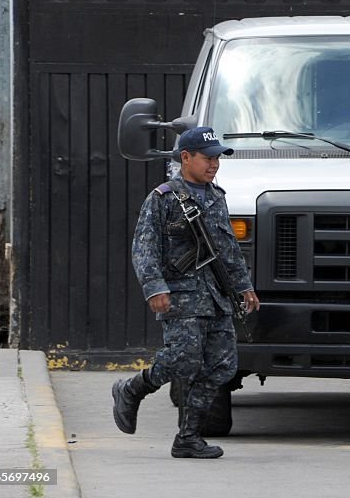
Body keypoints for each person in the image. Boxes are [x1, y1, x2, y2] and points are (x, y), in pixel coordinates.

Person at [112, 126, 259, 459]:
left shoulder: (217, 197)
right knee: (183, 359)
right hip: (181, 296)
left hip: (218, 297)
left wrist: (244, 285)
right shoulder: (164, 198)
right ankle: (132, 388)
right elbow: (144, 247)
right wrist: (154, 287)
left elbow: (228, 250)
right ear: (186, 157)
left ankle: (189, 437)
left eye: (217, 158)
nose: (214, 165)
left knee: (222, 366)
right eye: (208, 158)